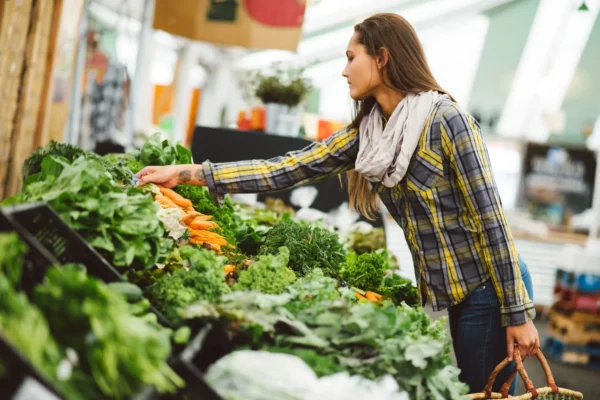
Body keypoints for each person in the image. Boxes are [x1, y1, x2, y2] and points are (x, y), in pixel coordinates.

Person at [136, 13, 539, 395]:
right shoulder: (371, 133)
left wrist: (517, 314)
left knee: (485, 395)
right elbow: (285, 168)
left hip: (490, 287)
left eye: (351, 58)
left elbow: (492, 222)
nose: (344, 70)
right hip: (457, 292)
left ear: (382, 58)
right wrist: (189, 173)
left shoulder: (447, 121)